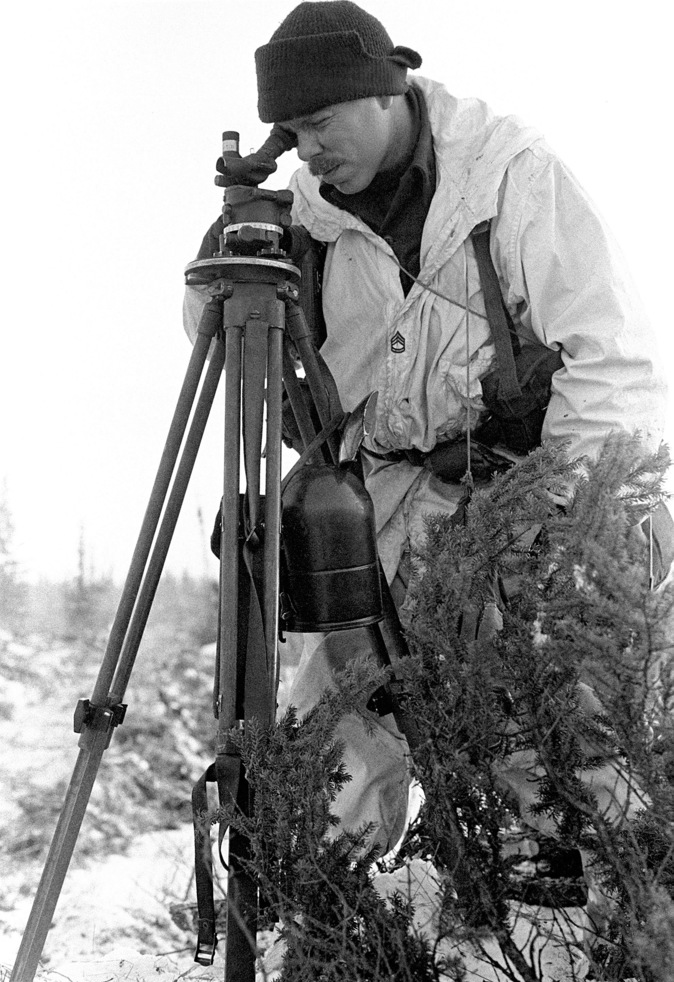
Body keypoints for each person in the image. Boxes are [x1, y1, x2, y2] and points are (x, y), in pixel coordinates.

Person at [183, 2, 671, 868]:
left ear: (388, 90)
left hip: (533, 484)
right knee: (331, 737)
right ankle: (326, 909)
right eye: (293, 130)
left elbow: (611, 354)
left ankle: (589, 911)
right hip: (379, 503)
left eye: (323, 122)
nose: (310, 147)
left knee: (553, 714)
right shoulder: (304, 214)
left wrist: (574, 519)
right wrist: (225, 263)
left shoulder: (509, 178)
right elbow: (224, 343)